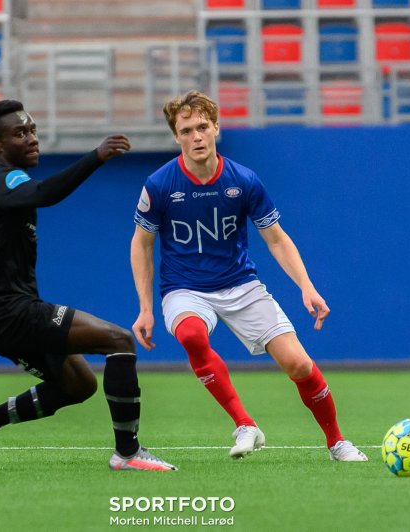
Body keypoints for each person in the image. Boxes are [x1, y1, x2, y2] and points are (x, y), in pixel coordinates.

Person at [130, 90, 367, 462]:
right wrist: (146, 309)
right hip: (184, 288)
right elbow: (141, 245)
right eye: (187, 130)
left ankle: (337, 443)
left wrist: (306, 286)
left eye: (202, 127)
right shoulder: (160, 185)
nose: (196, 136)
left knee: (299, 364)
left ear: (216, 128)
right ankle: (245, 424)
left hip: (241, 284)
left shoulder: (244, 180)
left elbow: (276, 238)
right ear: (176, 137)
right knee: (191, 335)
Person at [0, 99, 176, 472]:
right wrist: (96, 157)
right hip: (11, 311)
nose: (32, 138)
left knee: (78, 384)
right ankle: (128, 453)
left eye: (32, 129)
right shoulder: (7, 178)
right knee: (119, 341)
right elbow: (44, 194)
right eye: (20, 133)